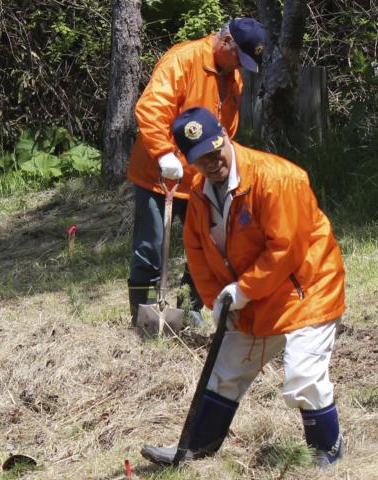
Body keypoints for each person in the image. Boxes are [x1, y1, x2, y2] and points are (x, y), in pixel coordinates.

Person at [140, 108, 346, 468]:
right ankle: (196, 453)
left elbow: (286, 249)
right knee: (225, 370)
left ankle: (327, 455)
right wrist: (215, 301)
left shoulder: (279, 179)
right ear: (189, 160)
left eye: (215, 148)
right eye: (200, 157)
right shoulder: (200, 191)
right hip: (253, 298)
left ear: (225, 135)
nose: (212, 160)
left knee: (303, 376)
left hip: (306, 290)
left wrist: (243, 289)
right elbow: (198, 252)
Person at [126, 18, 268, 326]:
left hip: (201, 179)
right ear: (226, 41)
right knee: (149, 248)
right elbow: (152, 108)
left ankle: (189, 309)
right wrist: (164, 153)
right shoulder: (183, 59)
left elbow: (226, 129)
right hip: (159, 175)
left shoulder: (233, 77)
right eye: (239, 59)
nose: (238, 67)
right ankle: (144, 317)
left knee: (207, 249)